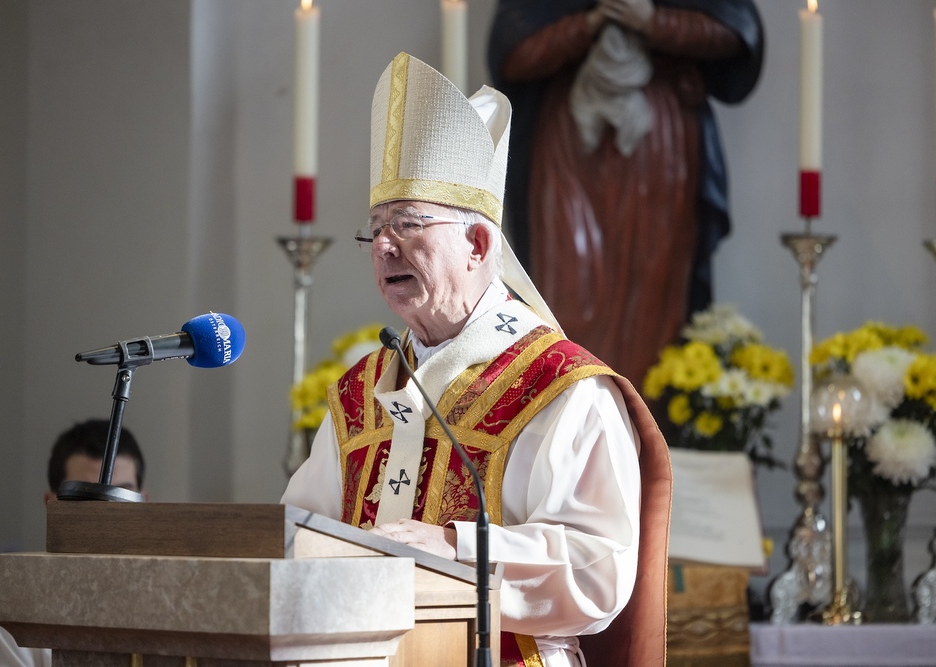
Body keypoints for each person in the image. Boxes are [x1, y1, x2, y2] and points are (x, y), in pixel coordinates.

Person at [281, 52, 670, 667]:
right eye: (376, 228)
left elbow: (599, 573)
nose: (384, 246)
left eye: (408, 224)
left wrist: (452, 546)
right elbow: (295, 539)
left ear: (478, 243)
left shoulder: (562, 387)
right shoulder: (362, 393)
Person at [487, 0, 764, 384]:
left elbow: (735, 32)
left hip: (658, 149)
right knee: (567, 290)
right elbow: (512, 52)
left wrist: (655, 22)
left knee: (650, 291)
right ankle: (564, 415)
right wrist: (587, 24)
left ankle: (648, 427)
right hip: (568, 149)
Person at [0, 420, 146, 667]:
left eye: (122, 497)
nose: (106, 517)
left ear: (144, 502)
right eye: (85, 498)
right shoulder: (7, 610)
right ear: (52, 505)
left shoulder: (171, 596)